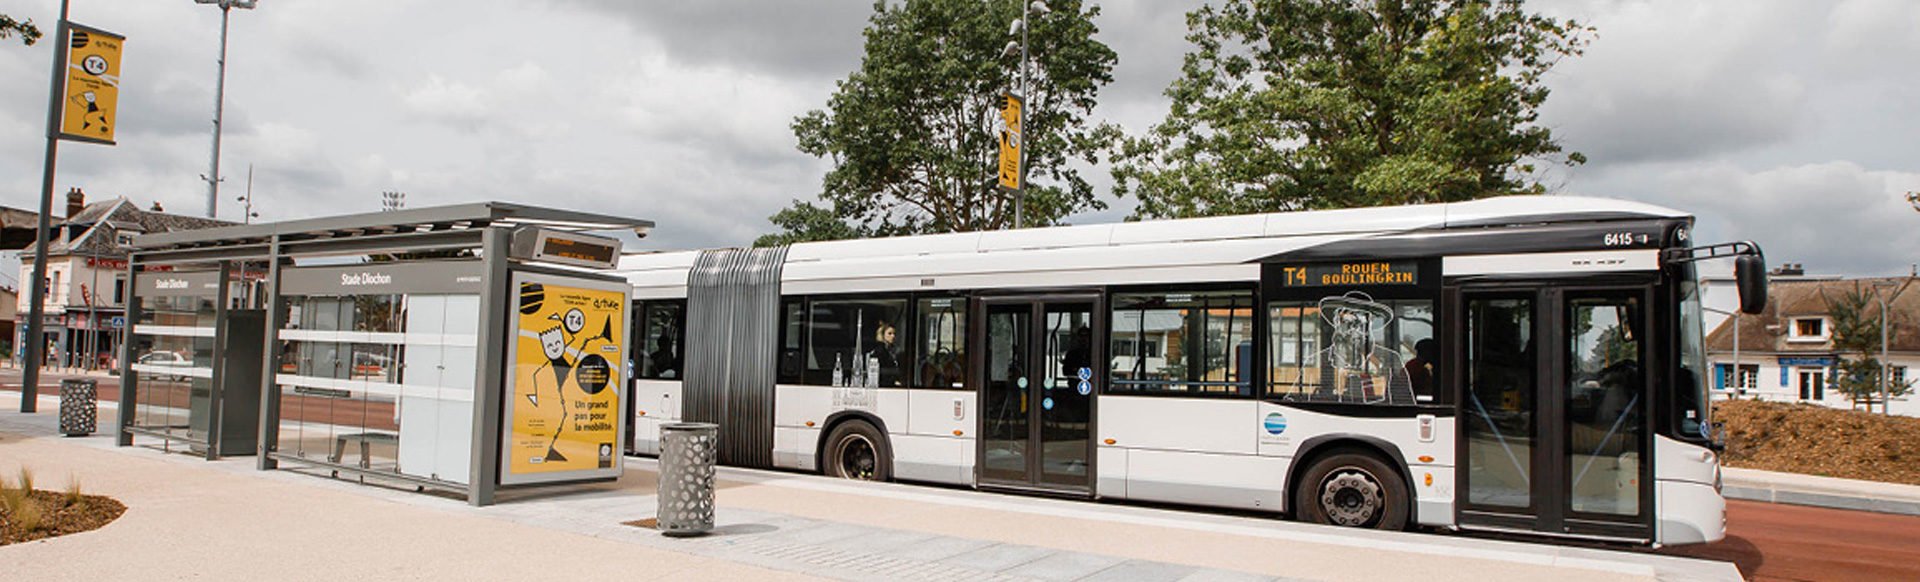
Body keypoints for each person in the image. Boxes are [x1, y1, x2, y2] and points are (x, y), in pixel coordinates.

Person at [867, 321, 901, 387]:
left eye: (894, 334)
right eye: (889, 333)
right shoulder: (879, 351)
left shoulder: (892, 350)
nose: (893, 336)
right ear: (883, 335)